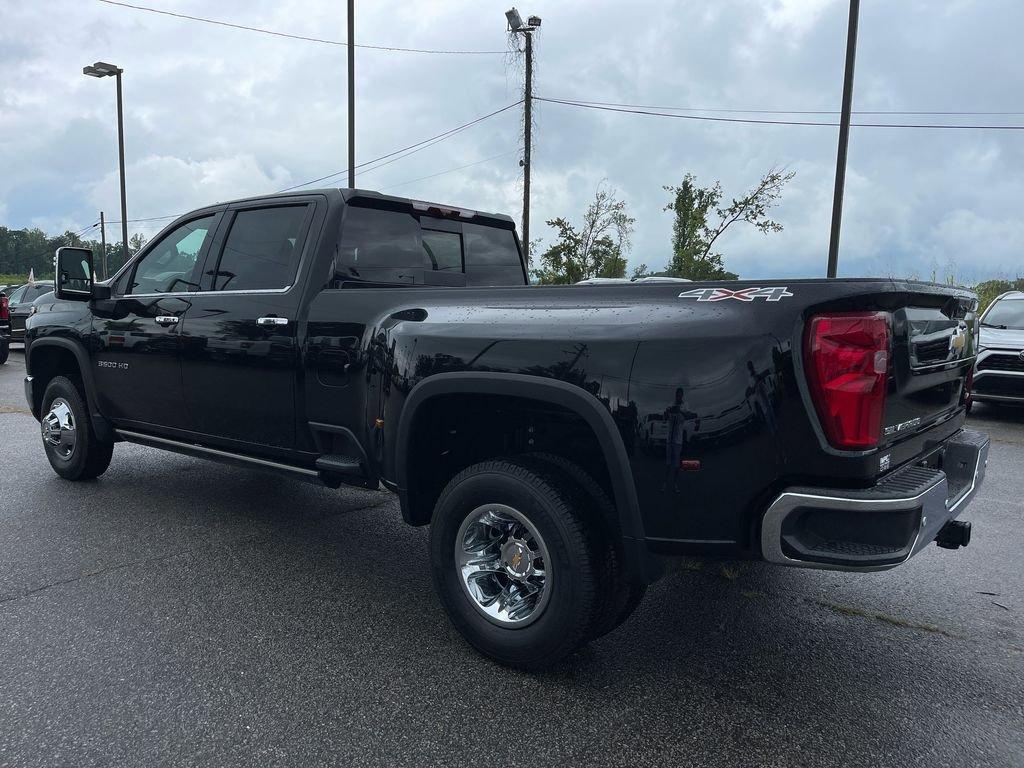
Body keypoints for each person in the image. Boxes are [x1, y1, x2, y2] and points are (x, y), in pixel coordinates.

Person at [661, 387, 697, 493]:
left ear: (682, 395)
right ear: (676, 395)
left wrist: (679, 411)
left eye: (680, 395)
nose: (679, 397)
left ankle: (675, 483)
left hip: (678, 440)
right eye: (677, 395)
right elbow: (665, 419)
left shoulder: (685, 405)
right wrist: (667, 413)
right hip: (669, 439)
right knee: (668, 463)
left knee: (676, 464)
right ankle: (665, 482)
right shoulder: (670, 404)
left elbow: (689, 416)